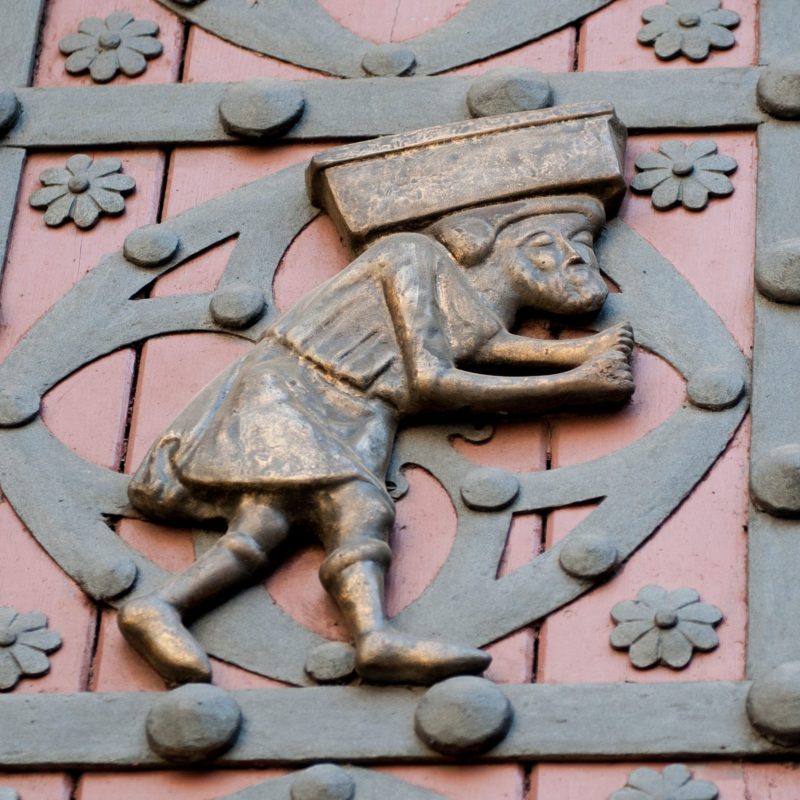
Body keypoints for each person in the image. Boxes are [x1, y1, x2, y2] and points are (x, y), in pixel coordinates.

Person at [118, 194, 634, 686]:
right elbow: (432, 381)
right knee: (357, 507)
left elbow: (487, 345)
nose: (571, 257)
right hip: (302, 385)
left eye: (580, 245)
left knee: (267, 522)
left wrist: (581, 351)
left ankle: (162, 606)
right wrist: (573, 384)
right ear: (483, 240)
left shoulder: (472, 307)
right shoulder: (411, 253)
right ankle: (373, 639)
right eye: (543, 243)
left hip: (362, 408)